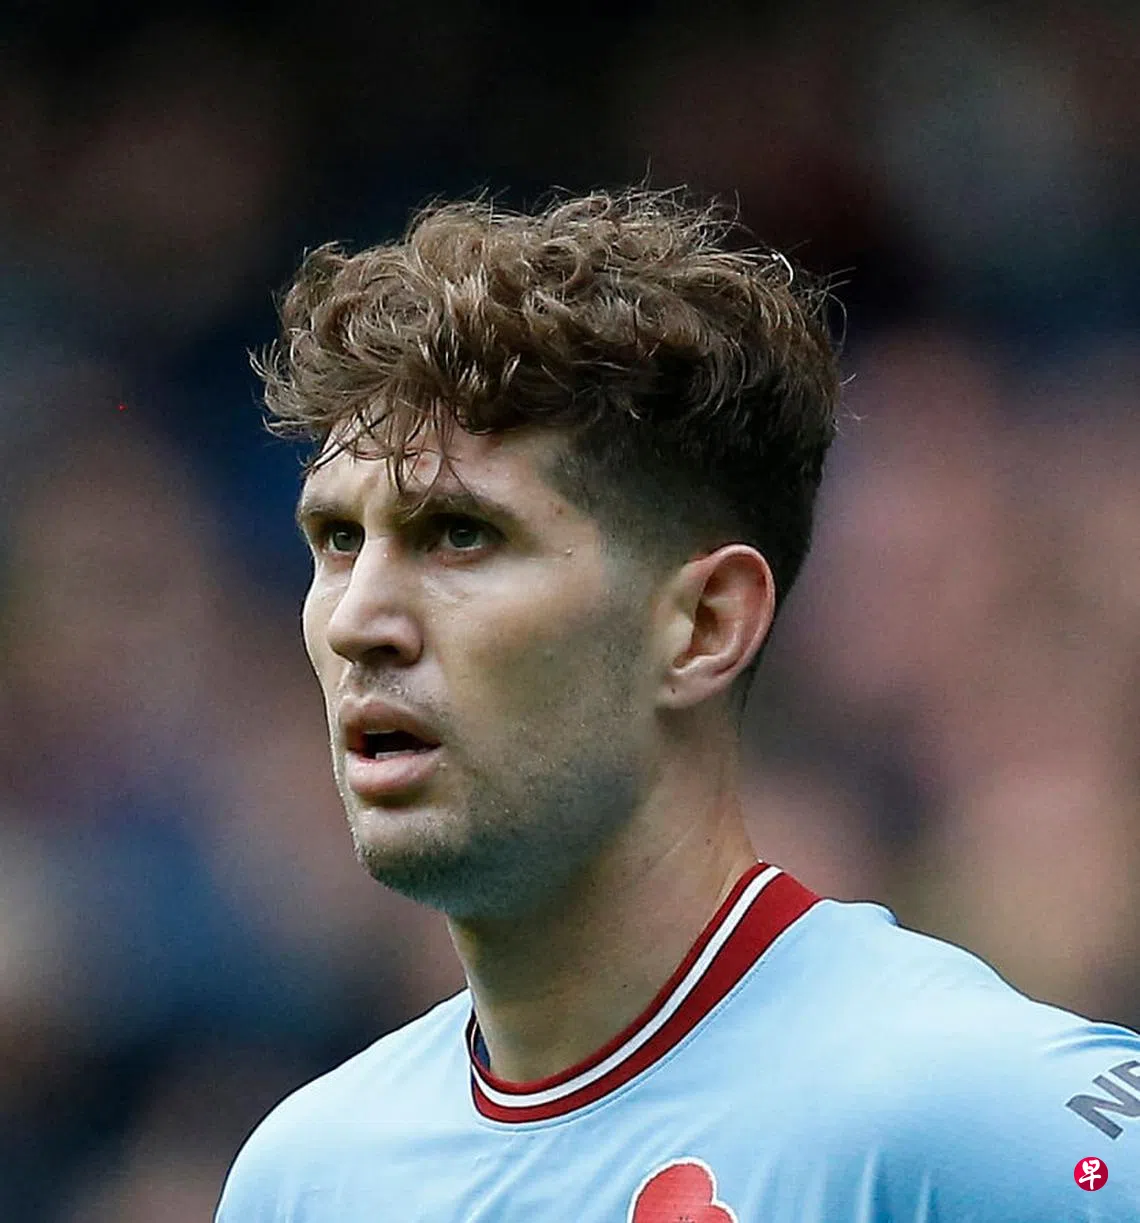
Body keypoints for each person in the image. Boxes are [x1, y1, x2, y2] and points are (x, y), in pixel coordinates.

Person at [215, 190, 1140, 1222]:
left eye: (461, 534)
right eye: (339, 540)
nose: (357, 620)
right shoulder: (305, 1178)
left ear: (704, 624)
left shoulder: (985, 1117)